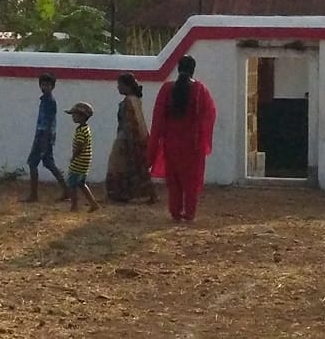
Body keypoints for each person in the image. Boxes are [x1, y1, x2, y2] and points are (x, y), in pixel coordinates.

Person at [147, 54, 216, 223]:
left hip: (171, 142)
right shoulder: (200, 90)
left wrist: (154, 145)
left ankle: (175, 212)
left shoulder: (167, 89)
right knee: (190, 181)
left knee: (174, 180)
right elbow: (210, 115)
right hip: (192, 144)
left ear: (178, 68)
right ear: (193, 69)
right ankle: (189, 214)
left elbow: (157, 119)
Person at [103, 73, 152, 204]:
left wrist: (128, 140)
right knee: (134, 166)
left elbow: (130, 123)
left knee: (117, 165)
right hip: (134, 137)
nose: (118, 87)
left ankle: (120, 193)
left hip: (126, 138)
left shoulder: (128, 102)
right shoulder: (135, 100)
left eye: (120, 85)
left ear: (127, 86)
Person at [23, 73, 66, 202]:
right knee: (49, 163)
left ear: (52, 86)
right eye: (43, 84)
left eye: (47, 85)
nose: (44, 87)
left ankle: (33, 195)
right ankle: (66, 189)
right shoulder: (47, 100)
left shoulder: (49, 101)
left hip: (43, 136)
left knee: (32, 163)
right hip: (45, 136)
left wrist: (44, 139)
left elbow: (47, 123)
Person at [64, 101, 102, 213]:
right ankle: (93, 203)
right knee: (81, 183)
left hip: (79, 160)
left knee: (72, 184)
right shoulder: (86, 129)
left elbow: (79, 147)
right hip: (85, 161)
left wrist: (73, 157)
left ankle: (74, 206)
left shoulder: (81, 131)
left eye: (74, 114)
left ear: (82, 116)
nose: (73, 117)